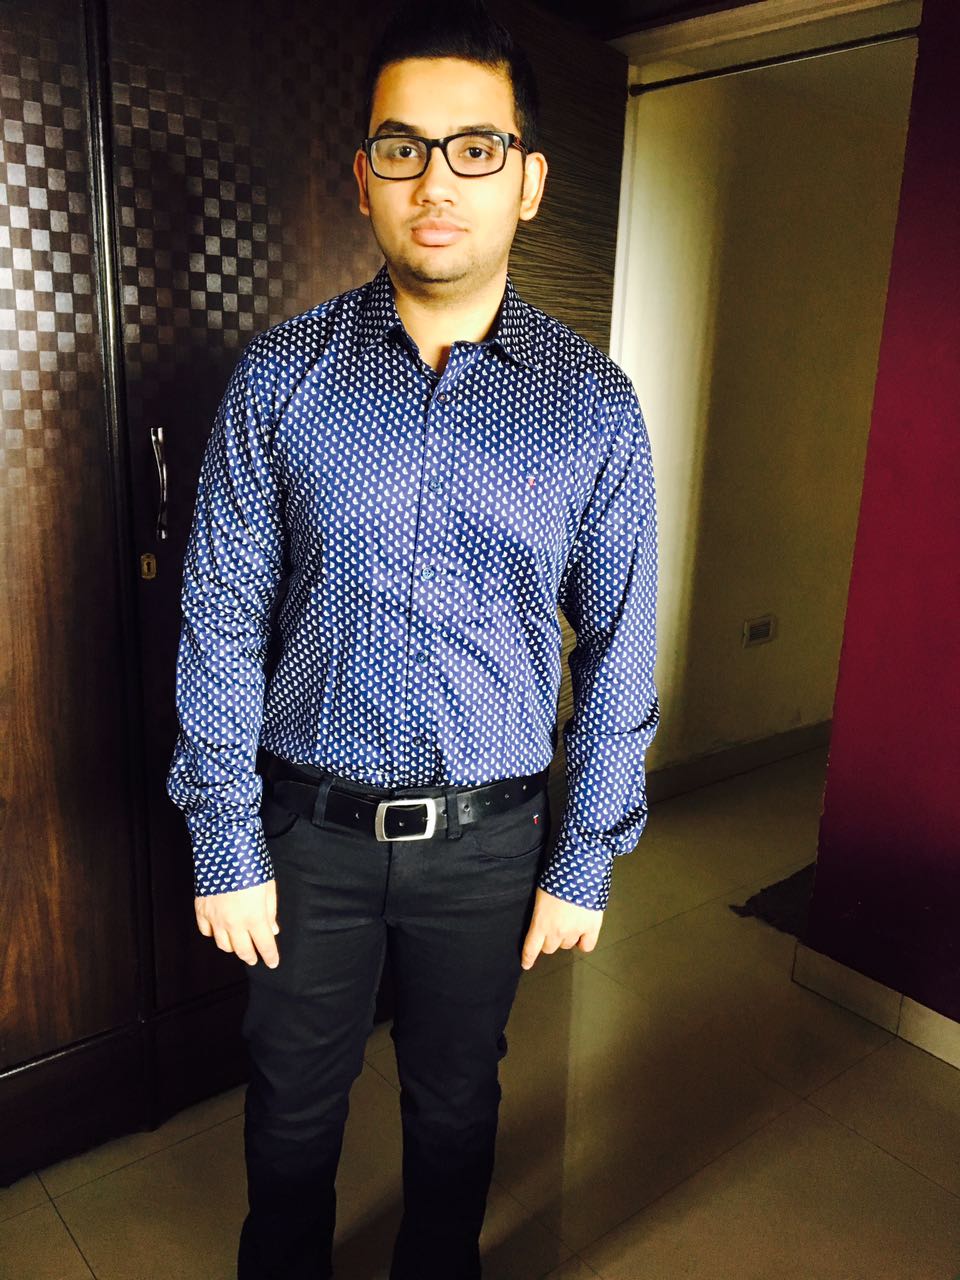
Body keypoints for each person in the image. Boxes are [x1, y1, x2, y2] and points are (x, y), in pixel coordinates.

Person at [165, 1, 660, 1276]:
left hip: (490, 842)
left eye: (474, 148)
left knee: (455, 1107)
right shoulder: (282, 375)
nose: (436, 181)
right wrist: (225, 838)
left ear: (528, 180)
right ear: (365, 176)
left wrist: (584, 856)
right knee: (290, 1113)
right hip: (303, 834)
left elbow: (619, 643)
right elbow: (221, 614)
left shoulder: (595, 409)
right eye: (404, 148)